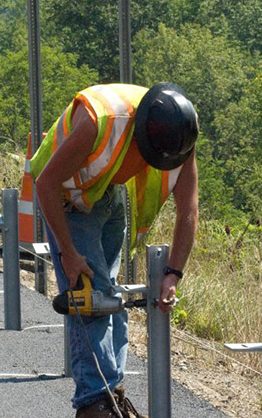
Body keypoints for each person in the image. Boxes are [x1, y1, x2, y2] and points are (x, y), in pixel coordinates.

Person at [30, 83, 200, 418]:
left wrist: (173, 274)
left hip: (108, 190)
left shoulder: (181, 134)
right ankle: (94, 403)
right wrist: (67, 252)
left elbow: (188, 212)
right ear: (141, 134)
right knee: (91, 298)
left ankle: (111, 393)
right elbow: (45, 184)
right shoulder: (102, 121)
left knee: (111, 299)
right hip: (68, 197)